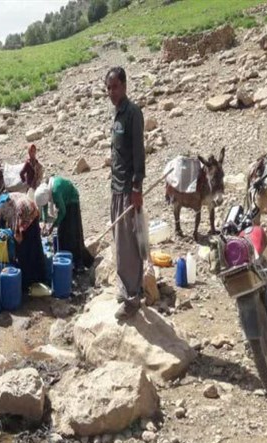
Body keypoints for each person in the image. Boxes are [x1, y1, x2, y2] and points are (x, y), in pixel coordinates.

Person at [106, 66, 146, 320]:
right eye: (108, 88)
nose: (111, 92)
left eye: (115, 86)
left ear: (125, 86)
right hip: (116, 187)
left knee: (130, 245)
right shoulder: (117, 115)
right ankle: (125, 288)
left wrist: (137, 187)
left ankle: (133, 298)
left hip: (128, 189)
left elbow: (138, 154)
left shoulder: (133, 113)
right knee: (120, 243)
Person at [35, 176, 94, 272]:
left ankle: (80, 263)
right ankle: (65, 260)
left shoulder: (56, 192)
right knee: (62, 233)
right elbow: (44, 206)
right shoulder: (44, 190)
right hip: (63, 202)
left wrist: (54, 225)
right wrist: (45, 222)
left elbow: (62, 211)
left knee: (73, 234)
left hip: (72, 201)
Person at [0, 192, 46, 290]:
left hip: (24, 212)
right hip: (33, 211)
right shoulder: (9, 197)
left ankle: (27, 281)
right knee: (36, 245)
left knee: (23, 249)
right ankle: (40, 277)